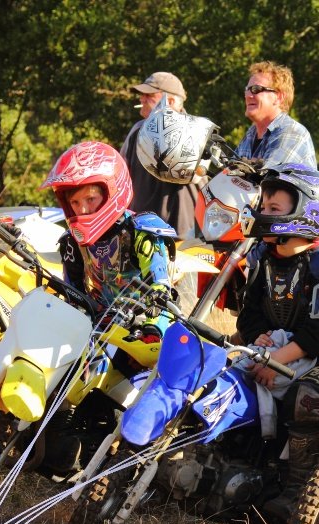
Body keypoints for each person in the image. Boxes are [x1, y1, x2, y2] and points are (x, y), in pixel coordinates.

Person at [236, 163, 319, 523]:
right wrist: (258, 338)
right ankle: (244, 465)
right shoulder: (262, 257)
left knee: (305, 400)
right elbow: (249, 314)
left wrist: (276, 362)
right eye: (265, 206)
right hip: (273, 348)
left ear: (305, 211)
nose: (264, 213)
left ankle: (299, 488)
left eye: (275, 208)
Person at [40, 140, 177, 339]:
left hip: (144, 325)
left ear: (112, 191)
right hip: (98, 327)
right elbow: (73, 294)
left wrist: (152, 327)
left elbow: (161, 290)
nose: (82, 210)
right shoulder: (71, 241)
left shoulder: (141, 231)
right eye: (75, 202)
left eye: (90, 199)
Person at [120, 72, 198, 239]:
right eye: (142, 94)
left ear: (170, 101)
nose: (141, 99)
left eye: (149, 95)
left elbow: (197, 176)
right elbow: (121, 178)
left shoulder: (195, 131)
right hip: (141, 230)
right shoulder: (137, 131)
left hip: (180, 234)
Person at [236, 61, 317, 168]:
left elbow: (266, 178)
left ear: (279, 97)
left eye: (256, 89)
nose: (248, 95)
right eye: (247, 89)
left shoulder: (292, 132)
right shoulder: (250, 135)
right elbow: (227, 179)